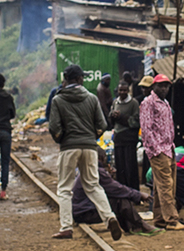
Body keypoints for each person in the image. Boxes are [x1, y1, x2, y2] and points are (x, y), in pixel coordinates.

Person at [48, 65, 121, 241]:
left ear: (66, 79)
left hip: (69, 147)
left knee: (65, 189)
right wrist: (91, 137)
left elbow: (54, 127)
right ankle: (109, 217)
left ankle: (66, 227)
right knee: (93, 185)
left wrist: (62, 139)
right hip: (89, 147)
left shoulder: (58, 100)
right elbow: (102, 125)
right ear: (79, 79)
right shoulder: (92, 98)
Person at [140, 74, 183, 229]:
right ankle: (172, 220)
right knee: (166, 185)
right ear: (154, 86)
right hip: (159, 150)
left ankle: (159, 219)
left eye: (166, 86)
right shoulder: (148, 103)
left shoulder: (164, 103)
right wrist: (157, 150)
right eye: (161, 86)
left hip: (169, 148)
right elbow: (146, 129)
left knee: (160, 187)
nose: (164, 89)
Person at [73, 148, 150, 234]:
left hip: (80, 211)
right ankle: (141, 225)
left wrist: (109, 176)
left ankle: (132, 227)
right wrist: (139, 195)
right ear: (102, 158)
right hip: (86, 213)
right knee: (120, 201)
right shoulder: (97, 171)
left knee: (119, 198)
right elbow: (117, 189)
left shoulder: (88, 169)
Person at [109, 75, 142, 191]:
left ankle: (133, 191)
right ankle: (123, 192)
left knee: (130, 167)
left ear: (128, 91)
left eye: (124, 90)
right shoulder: (115, 102)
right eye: (120, 90)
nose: (122, 92)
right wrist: (112, 116)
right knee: (120, 167)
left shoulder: (133, 103)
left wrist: (121, 117)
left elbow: (136, 122)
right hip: (119, 139)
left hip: (129, 139)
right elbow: (111, 121)